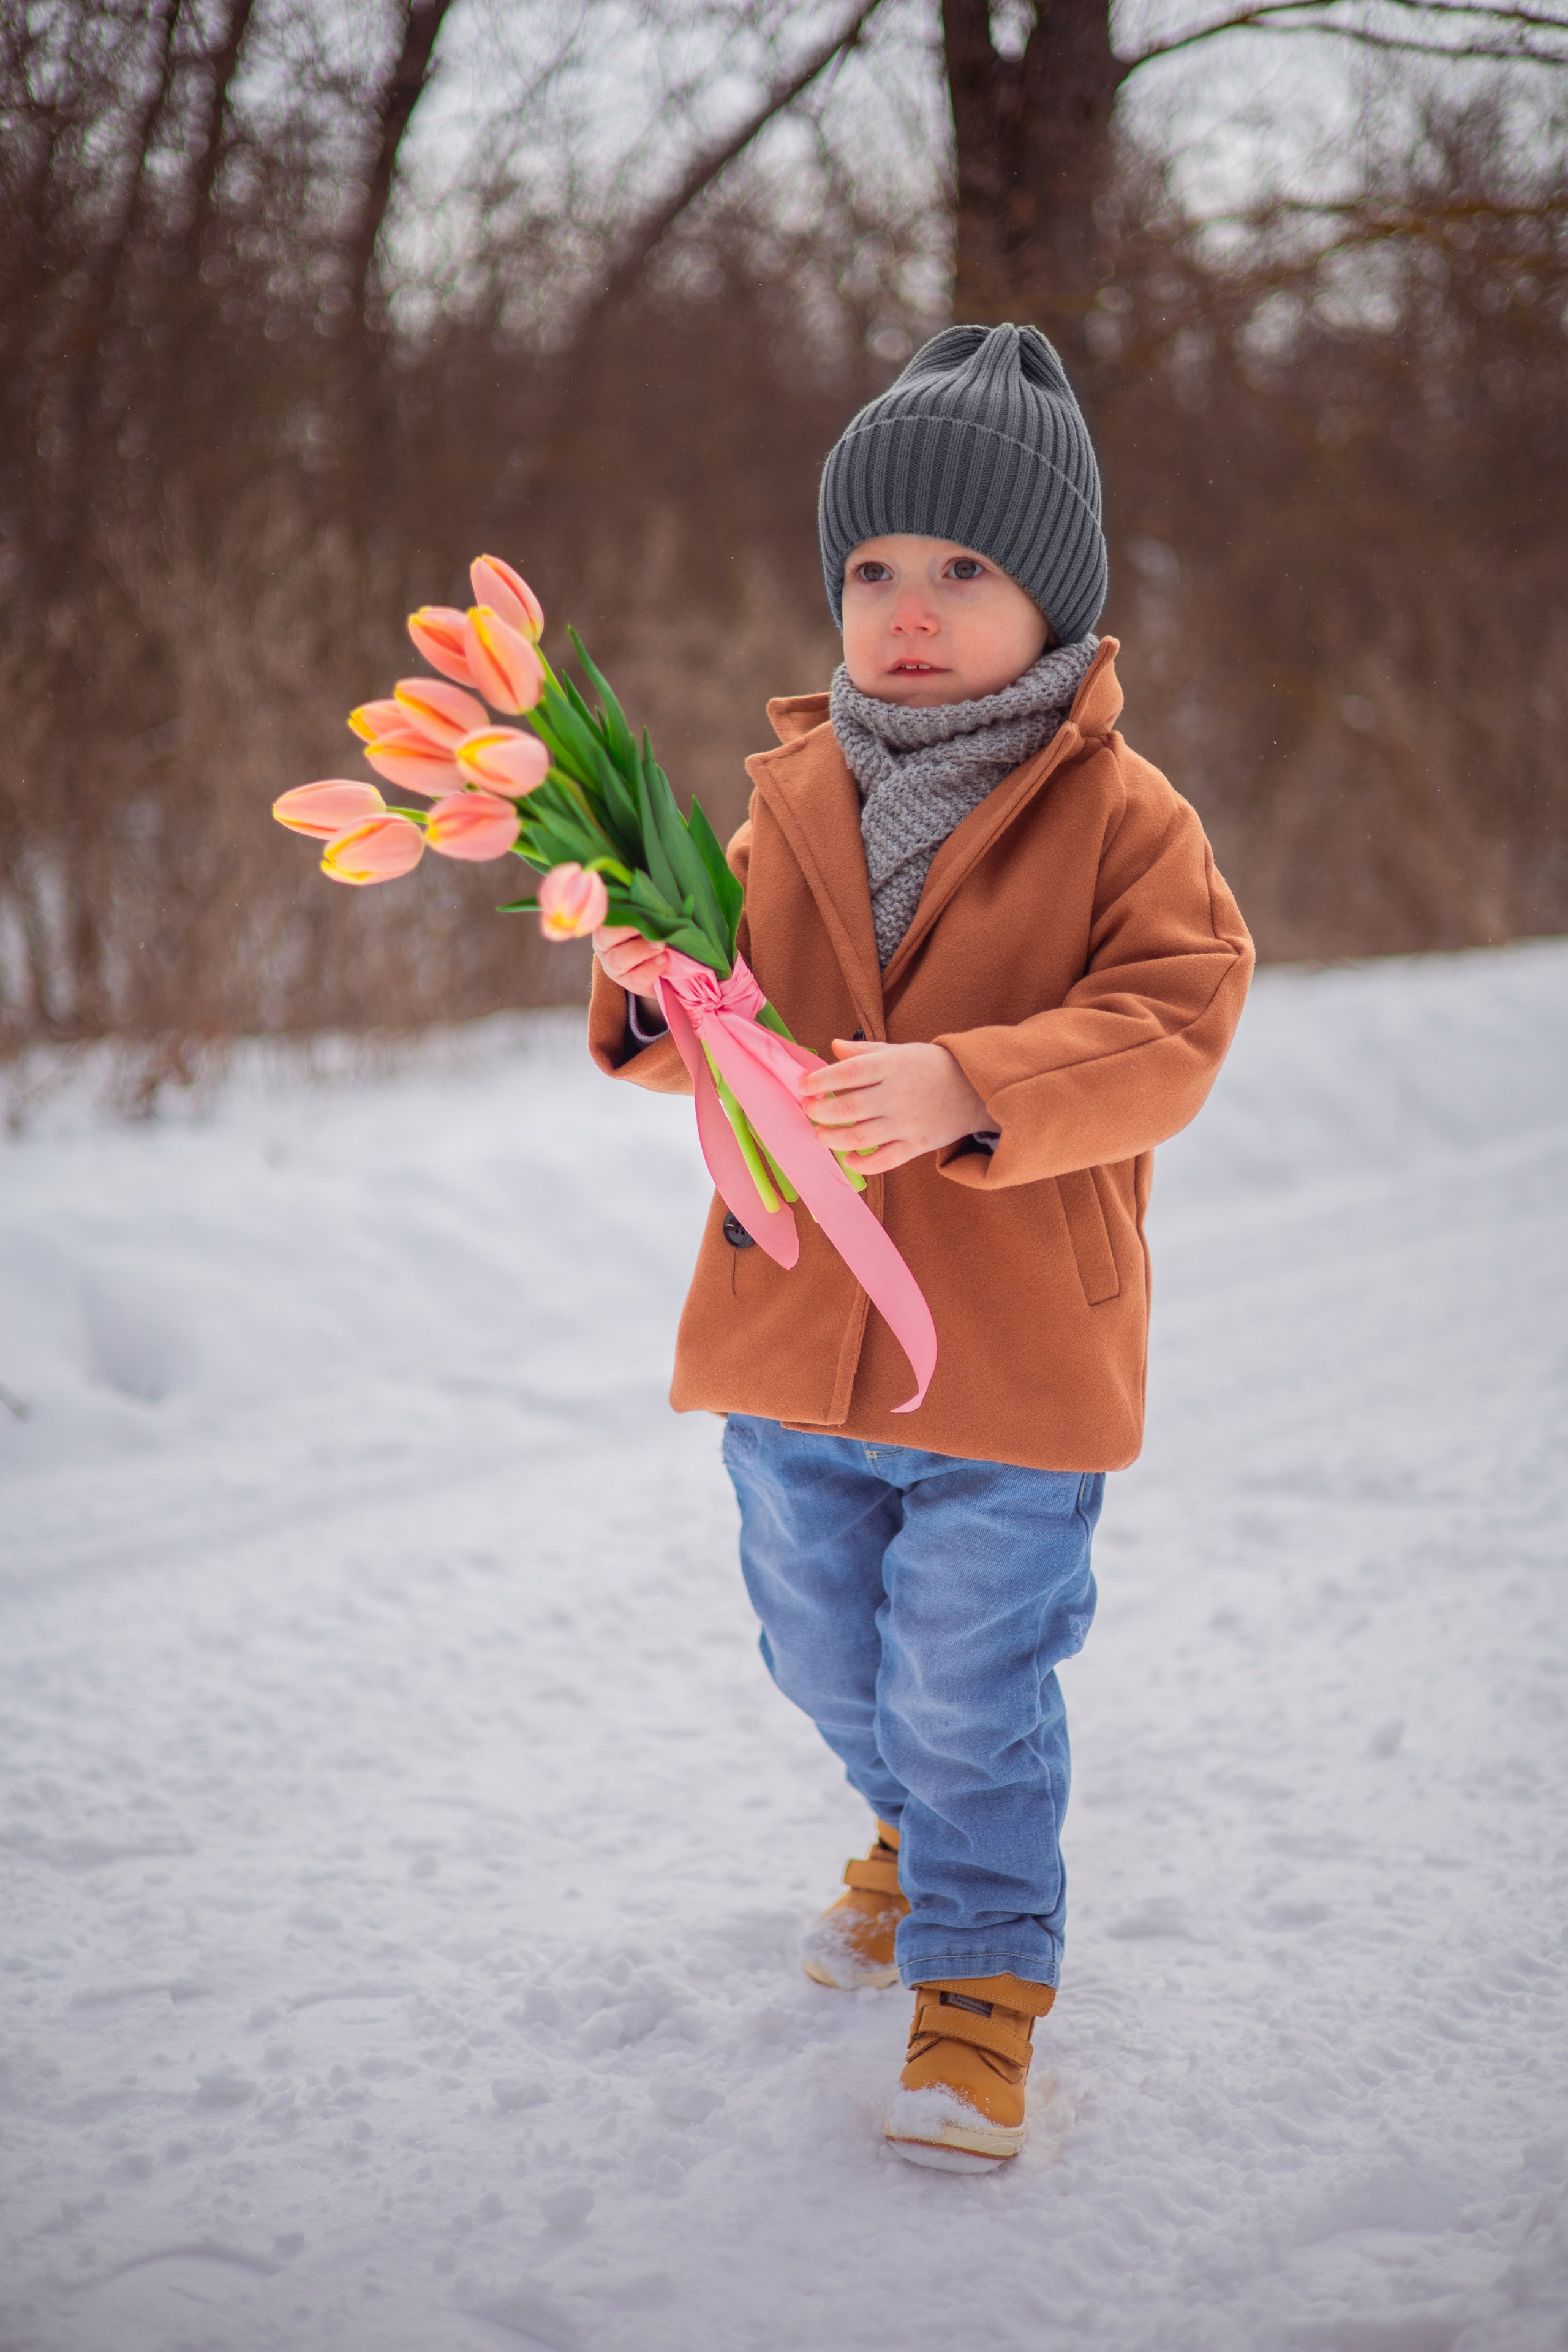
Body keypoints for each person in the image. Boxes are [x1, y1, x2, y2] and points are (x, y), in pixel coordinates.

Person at [586, 323, 1253, 2171]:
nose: (908, 606)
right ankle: (921, 1823)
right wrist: (650, 982)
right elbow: (721, 1020)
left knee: (966, 1683)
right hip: (796, 1336)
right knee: (828, 1656)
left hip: (1010, 1361)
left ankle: (980, 1977)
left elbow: (1178, 1021)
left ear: (1055, 601)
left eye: (963, 567)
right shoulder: (792, 795)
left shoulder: (1124, 816)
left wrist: (973, 1082)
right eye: (874, 567)